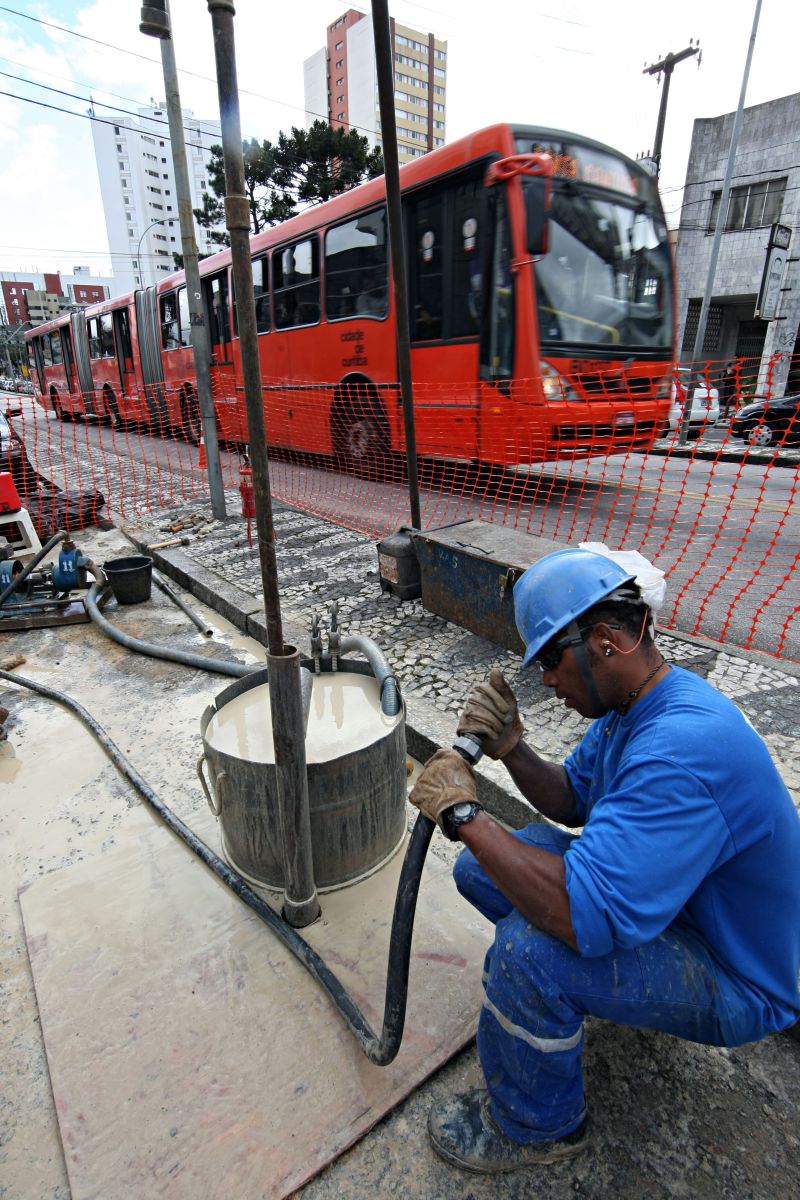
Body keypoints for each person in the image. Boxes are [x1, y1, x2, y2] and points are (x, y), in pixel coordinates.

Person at [410, 547, 800, 1175]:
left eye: (551, 661)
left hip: (740, 975)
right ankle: (589, 1000)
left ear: (604, 642)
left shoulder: (680, 748)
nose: (545, 681)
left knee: (526, 953)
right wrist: (512, 748)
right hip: (682, 915)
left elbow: (575, 911)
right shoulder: (636, 707)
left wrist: (462, 814)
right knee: (480, 869)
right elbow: (572, 799)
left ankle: (540, 1128)